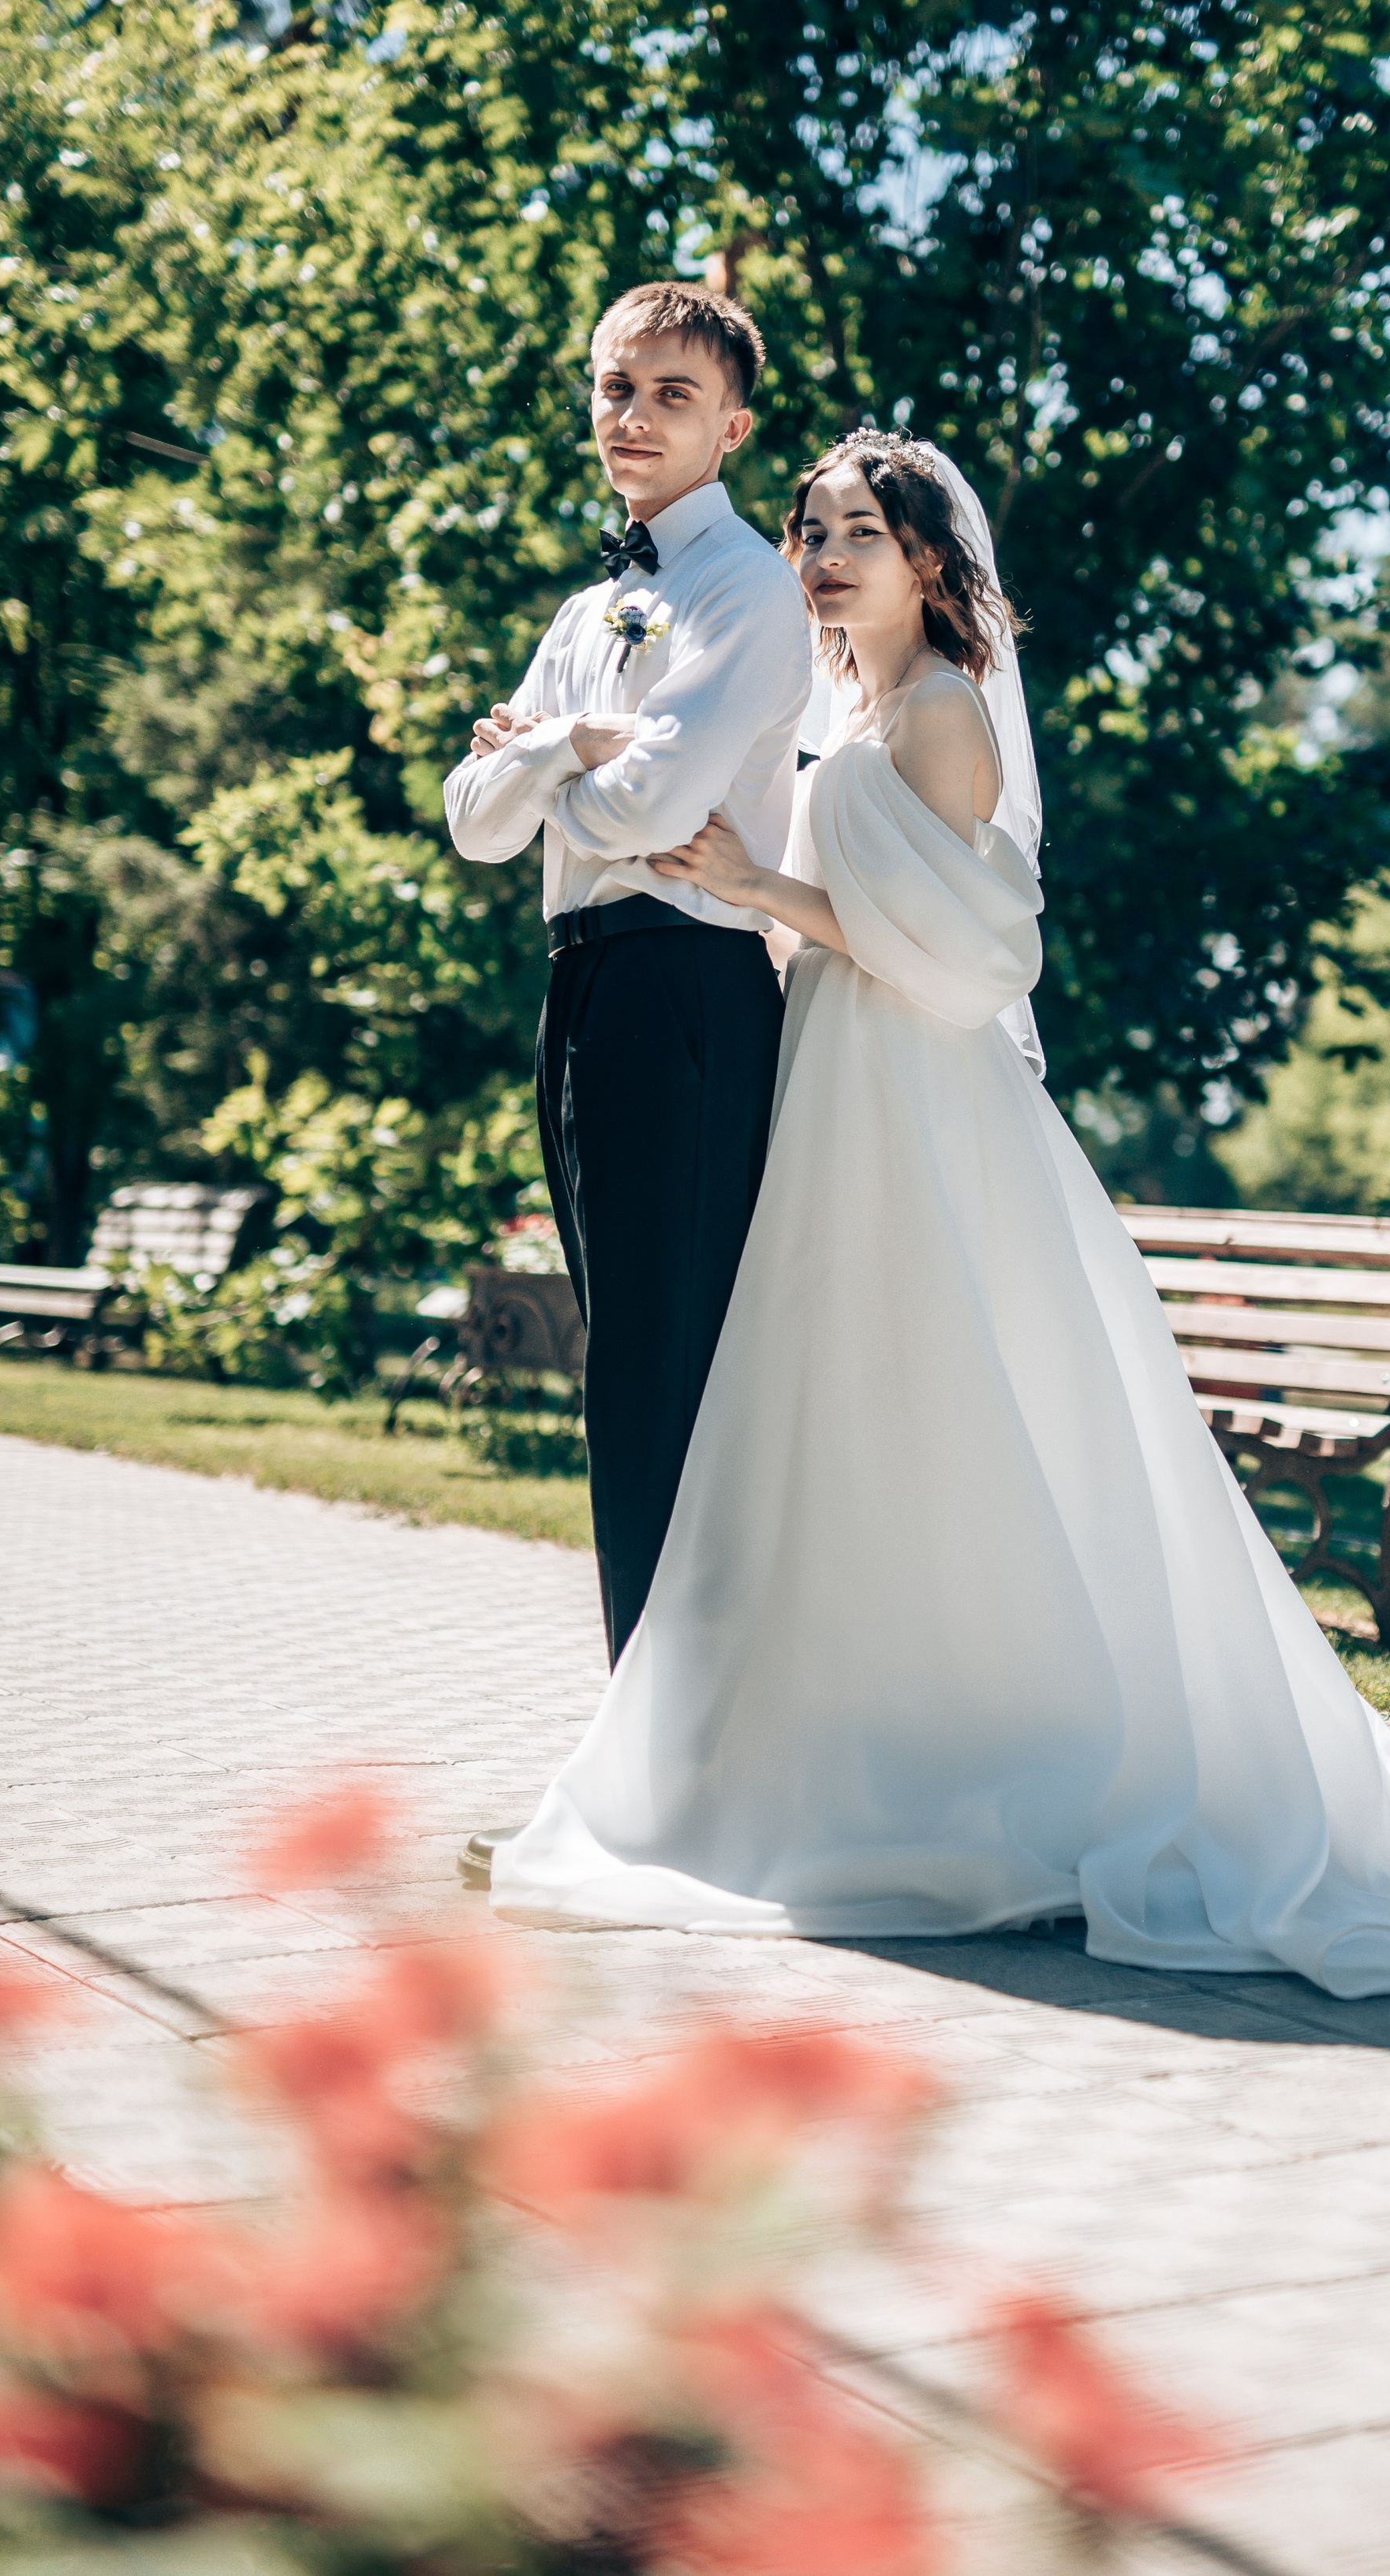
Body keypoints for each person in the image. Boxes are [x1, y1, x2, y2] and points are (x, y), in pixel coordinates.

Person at [487, 434, 1390, 1995]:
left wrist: (765, 897)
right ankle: (866, 1736)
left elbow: (979, 966)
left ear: (928, 562)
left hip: (922, 1102)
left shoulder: (942, 717)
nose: (826, 555)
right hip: (835, 1084)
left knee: (955, 1404)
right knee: (849, 1416)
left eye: (861, 532)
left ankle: (1011, 1769)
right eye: (811, 530)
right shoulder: (840, 707)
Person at [442, 283, 812, 1712]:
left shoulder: (750, 594)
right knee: (625, 1361)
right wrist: (565, 749)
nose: (635, 414)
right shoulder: (589, 606)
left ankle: (666, 1740)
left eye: (671, 391)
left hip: (686, 990)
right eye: (615, 386)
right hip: (584, 992)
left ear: (732, 422)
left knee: (665, 1372)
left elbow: (659, 798)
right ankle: (658, 1725)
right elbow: (475, 819)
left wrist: (550, 757)